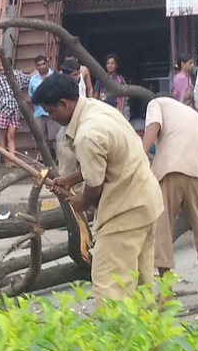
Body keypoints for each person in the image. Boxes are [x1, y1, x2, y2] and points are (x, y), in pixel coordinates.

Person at [33, 73, 163, 307]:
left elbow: (95, 186)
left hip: (125, 213)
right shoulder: (97, 109)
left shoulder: (87, 133)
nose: (51, 118)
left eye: (51, 112)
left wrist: (81, 202)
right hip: (146, 202)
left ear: (64, 103)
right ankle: (149, 341)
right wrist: (71, 179)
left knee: (109, 289)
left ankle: (115, 341)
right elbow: (109, 159)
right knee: (142, 286)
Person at [142, 96, 198, 298]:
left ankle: (165, 292)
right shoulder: (194, 115)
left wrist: (141, 152)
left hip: (169, 169)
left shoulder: (155, 103)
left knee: (162, 228)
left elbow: (154, 124)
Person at [0, 68, 31, 166]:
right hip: (2, 109)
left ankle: (12, 159)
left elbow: (29, 78)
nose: (0, 68)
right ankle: (6, 159)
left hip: (14, 109)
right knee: (2, 136)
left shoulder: (17, 75)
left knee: (11, 135)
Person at [28, 54, 58, 159]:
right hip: (39, 112)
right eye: (39, 65)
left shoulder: (54, 76)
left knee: (54, 138)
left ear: (47, 63)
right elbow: (31, 95)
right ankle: (43, 159)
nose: (42, 67)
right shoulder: (33, 79)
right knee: (41, 138)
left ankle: (58, 160)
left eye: (43, 64)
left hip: (53, 111)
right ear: (36, 67)